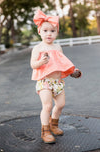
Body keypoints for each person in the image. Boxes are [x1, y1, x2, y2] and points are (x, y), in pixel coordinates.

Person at [30, 9, 82, 144]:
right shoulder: (38, 48)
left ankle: (53, 124)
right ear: (39, 31)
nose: (49, 34)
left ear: (57, 33)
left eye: (52, 31)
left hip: (57, 82)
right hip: (45, 82)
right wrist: (40, 62)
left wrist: (72, 71)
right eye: (45, 30)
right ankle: (45, 131)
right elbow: (33, 64)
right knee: (47, 106)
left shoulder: (58, 47)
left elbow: (63, 63)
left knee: (60, 104)